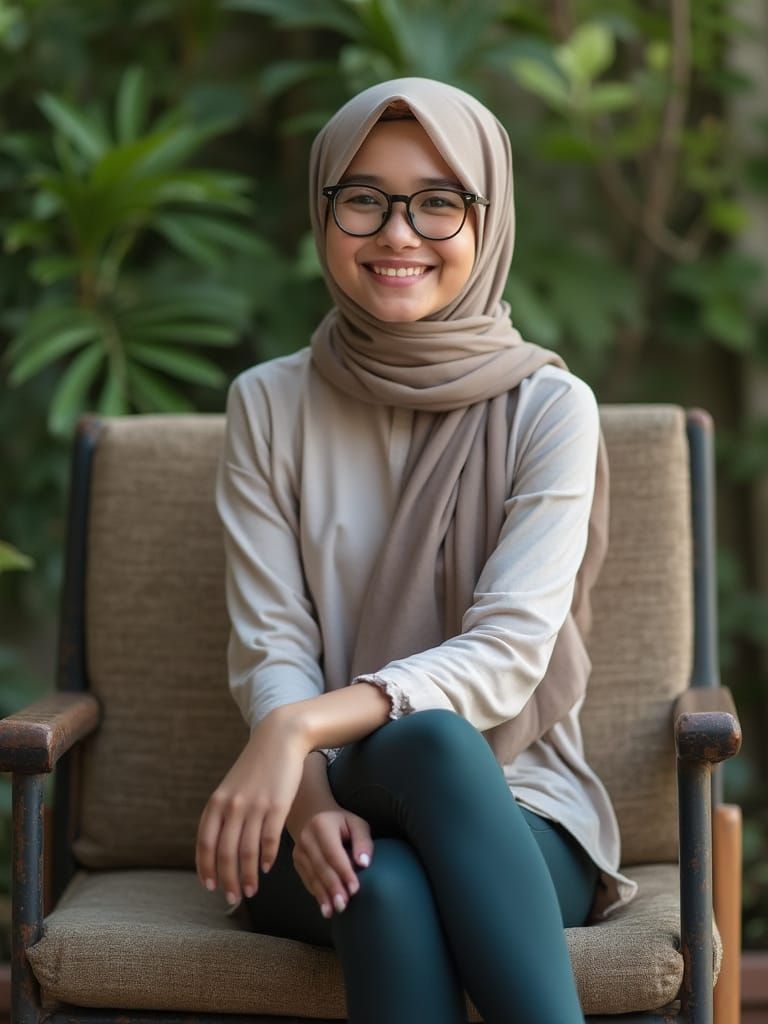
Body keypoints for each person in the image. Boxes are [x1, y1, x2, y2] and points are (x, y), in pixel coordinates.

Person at [195, 77, 637, 1024]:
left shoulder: (550, 410)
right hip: (310, 805)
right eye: (364, 198)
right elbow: (273, 643)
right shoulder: (268, 406)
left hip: (516, 807)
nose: (399, 233)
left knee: (430, 748)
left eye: (439, 201)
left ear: (489, 219)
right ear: (324, 214)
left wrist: (298, 728)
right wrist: (308, 793)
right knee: (380, 882)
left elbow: (509, 654)